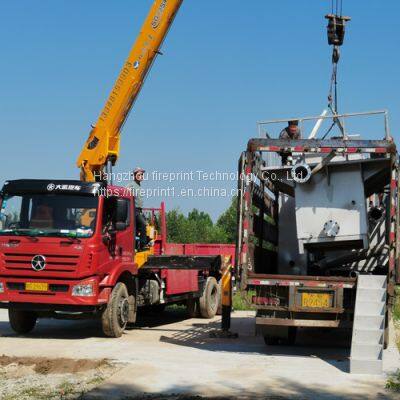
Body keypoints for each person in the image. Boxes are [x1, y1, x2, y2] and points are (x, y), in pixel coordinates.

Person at [127, 167, 148, 249]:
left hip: (139, 210)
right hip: (133, 209)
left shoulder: (139, 186)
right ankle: (143, 244)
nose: (141, 176)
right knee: (143, 224)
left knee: (136, 228)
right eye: (139, 175)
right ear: (135, 175)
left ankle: (135, 246)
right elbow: (126, 193)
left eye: (142, 175)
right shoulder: (131, 185)